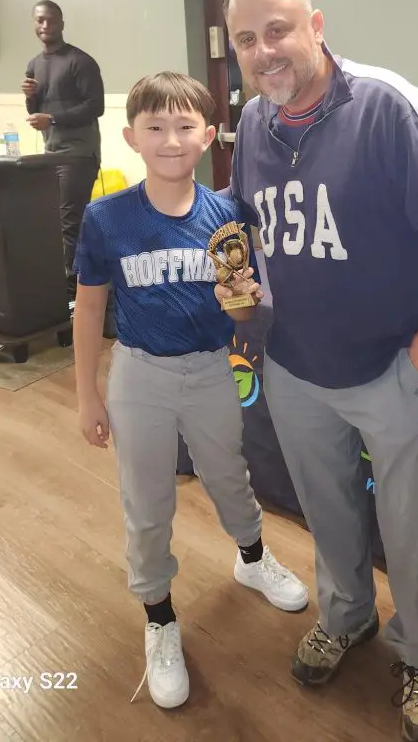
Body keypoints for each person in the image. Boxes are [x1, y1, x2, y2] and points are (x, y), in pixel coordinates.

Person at [219, 0, 418, 742]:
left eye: (277, 30)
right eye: (246, 40)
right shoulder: (255, 123)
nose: (264, 51)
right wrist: (236, 296)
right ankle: (346, 618)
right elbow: (237, 220)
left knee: (413, 529)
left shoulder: (386, 104)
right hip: (295, 366)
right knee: (330, 513)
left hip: (391, 368)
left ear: (315, 26)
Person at [72, 70, 309, 711]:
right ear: (132, 137)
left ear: (208, 136)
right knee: (146, 499)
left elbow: (241, 311)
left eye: (184, 127)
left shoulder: (226, 214)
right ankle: (158, 617)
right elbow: (89, 309)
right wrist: (87, 395)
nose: (171, 140)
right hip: (140, 374)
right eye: (155, 127)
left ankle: (251, 557)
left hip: (210, 369)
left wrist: (243, 299)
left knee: (228, 472)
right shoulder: (106, 217)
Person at [22, 0, 105, 304]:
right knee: (55, 222)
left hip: (78, 154)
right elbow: (37, 112)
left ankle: (73, 295)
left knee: (70, 222)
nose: (45, 26)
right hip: (51, 153)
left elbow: (96, 106)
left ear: (61, 23)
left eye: (51, 20)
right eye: (40, 20)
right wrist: (30, 99)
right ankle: (71, 284)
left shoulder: (79, 61)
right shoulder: (34, 65)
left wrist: (53, 119)